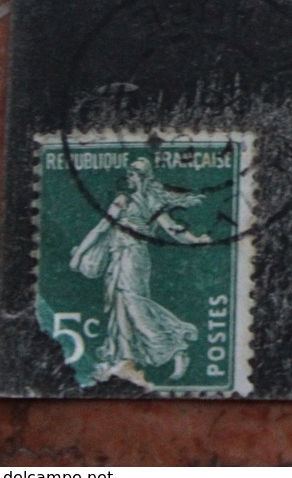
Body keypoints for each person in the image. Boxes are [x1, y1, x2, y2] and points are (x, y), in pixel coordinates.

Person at [68, 158, 208, 388]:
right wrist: (196, 240)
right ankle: (125, 359)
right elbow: (172, 230)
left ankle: (174, 347)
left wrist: (78, 255)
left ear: (142, 177)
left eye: (133, 175)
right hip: (124, 257)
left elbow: (101, 229)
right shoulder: (143, 201)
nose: (129, 179)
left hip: (131, 258)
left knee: (134, 304)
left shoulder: (129, 201)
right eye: (129, 174)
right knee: (121, 305)